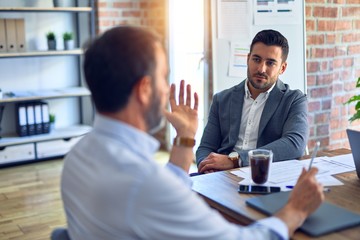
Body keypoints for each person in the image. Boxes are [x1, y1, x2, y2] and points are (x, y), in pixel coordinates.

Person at [61, 26, 324, 240]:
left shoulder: (77, 157)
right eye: (164, 77)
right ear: (144, 90)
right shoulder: (145, 184)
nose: (167, 89)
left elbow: (164, 188)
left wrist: (185, 137)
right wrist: (295, 210)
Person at [196, 29, 308, 174]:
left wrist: (235, 161)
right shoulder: (222, 99)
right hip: (222, 175)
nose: (261, 68)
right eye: (256, 59)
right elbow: (206, 147)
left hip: (267, 176)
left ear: (282, 68)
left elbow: (294, 144)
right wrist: (207, 167)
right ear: (248, 59)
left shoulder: (294, 100)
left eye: (270, 63)